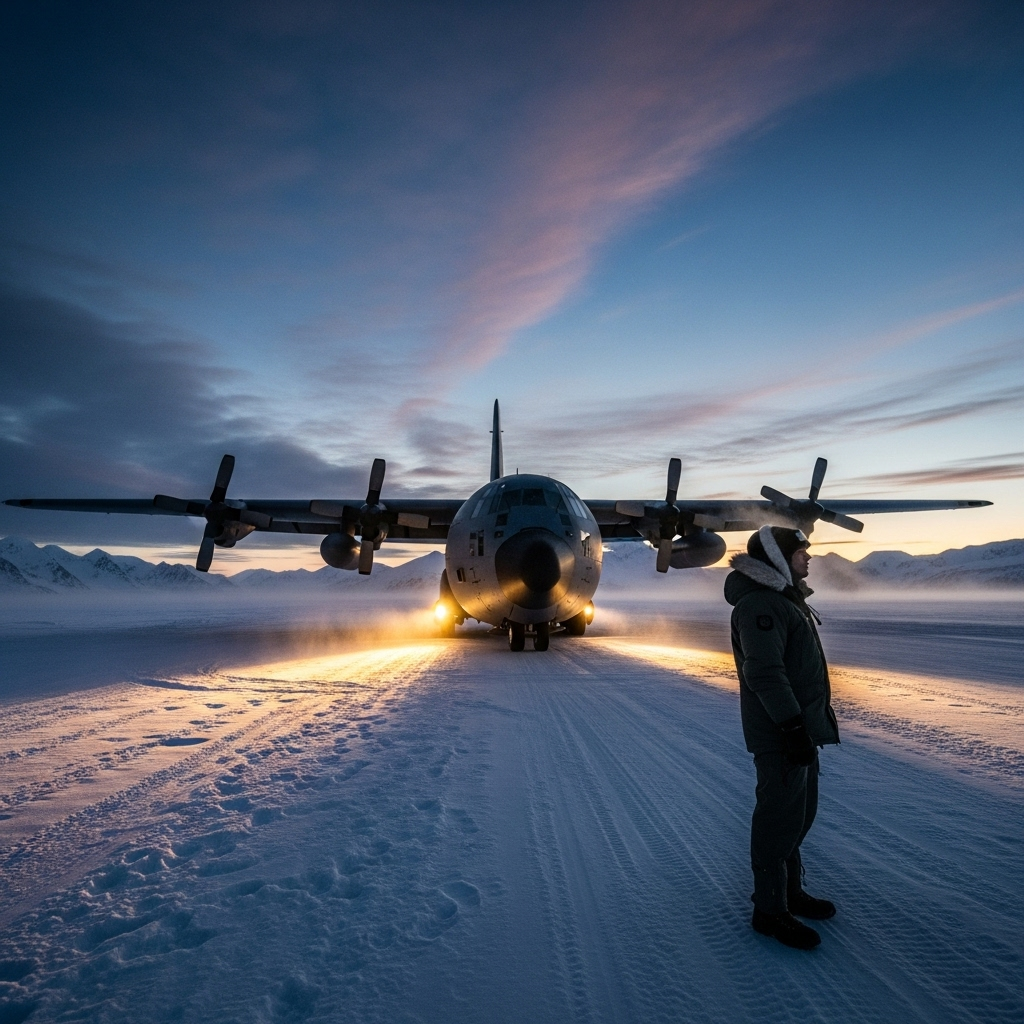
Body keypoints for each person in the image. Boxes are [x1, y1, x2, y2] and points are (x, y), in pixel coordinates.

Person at [724, 525, 840, 950]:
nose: (808, 557)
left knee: (798, 817)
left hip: (797, 729)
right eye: (800, 552)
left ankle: (790, 892)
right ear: (777, 559)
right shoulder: (761, 604)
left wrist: (803, 727)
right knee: (777, 822)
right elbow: (765, 673)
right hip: (780, 734)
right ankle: (770, 911)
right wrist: (791, 728)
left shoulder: (785, 600)